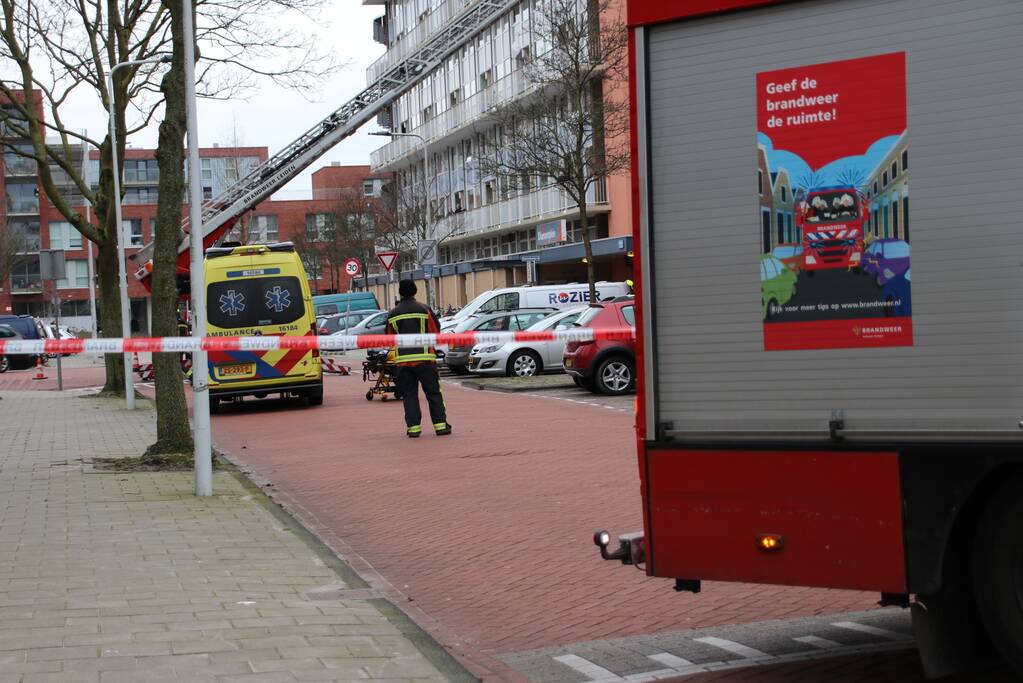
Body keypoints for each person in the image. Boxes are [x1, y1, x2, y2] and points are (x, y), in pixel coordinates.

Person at [386, 279, 451, 438]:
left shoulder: (393, 314)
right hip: (425, 360)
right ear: (415, 291)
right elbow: (436, 331)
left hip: (403, 362)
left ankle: (414, 428)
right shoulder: (424, 309)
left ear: (400, 292)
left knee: (409, 395)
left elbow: (388, 338)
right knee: (433, 394)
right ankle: (440, 426)